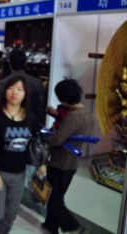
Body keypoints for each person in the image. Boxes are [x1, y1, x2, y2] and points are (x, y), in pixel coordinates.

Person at [0, 75, 40, 234]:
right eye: (11, 88)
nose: (15, 93)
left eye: (20, 89)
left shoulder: (30, 119)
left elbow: (34, 144)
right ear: (5, 91)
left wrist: (40, 164)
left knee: (10, 215)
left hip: (19, 174)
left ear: (25, 94)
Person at [42, 79, 93, 234]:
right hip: (69, 162)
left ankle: (74, 227)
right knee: (55, 196)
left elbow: (57, 139)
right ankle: (50, 225)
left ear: (64, 98)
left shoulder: (74, 116)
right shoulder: (86, 113)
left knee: (53, 199)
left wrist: (45, 136)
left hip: (62, 163)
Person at [0, 48, 46, 124]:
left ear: (10, 63)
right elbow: (40, 107)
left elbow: (1, 105)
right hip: (31, 123)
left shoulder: (4, 82)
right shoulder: (37, 82)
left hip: (9, 123)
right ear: (26, 62)